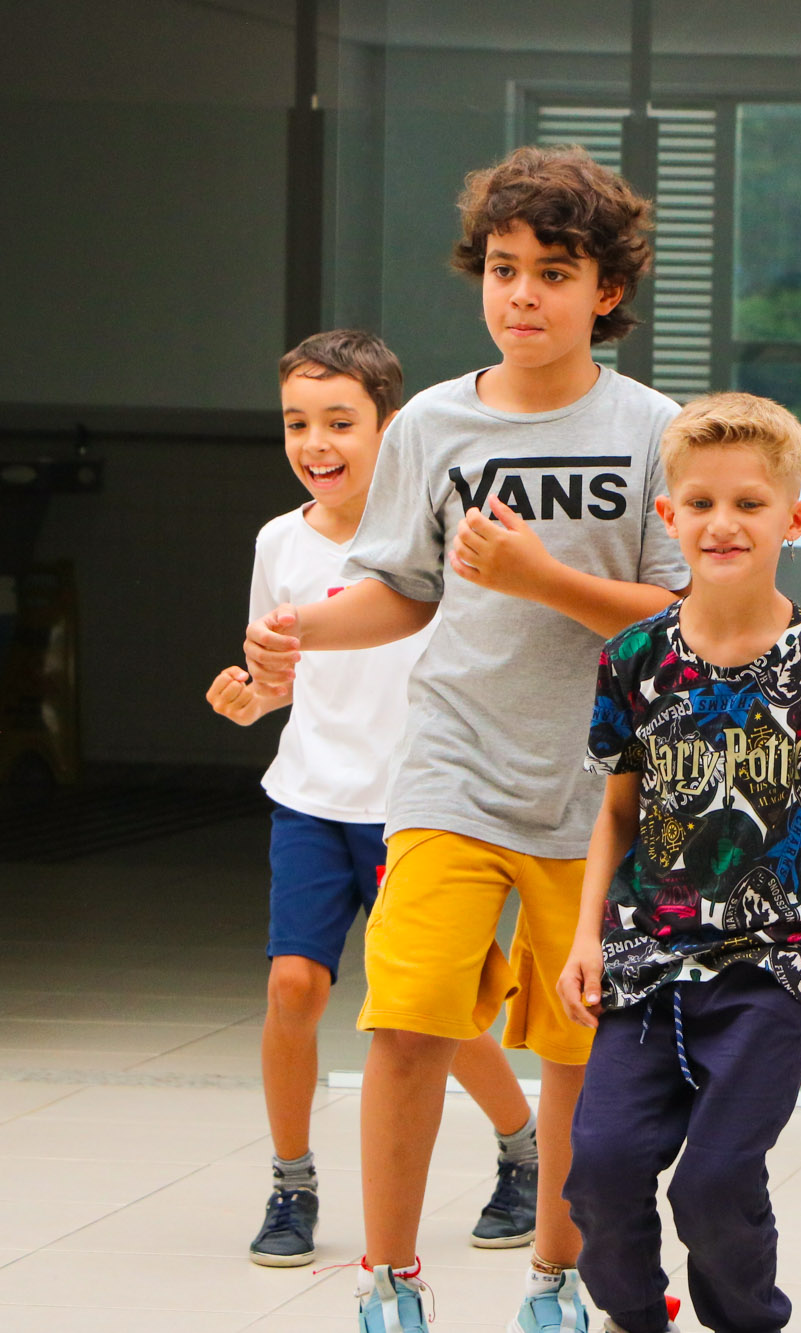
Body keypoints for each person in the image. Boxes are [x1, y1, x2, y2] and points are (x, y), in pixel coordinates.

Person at [243, 145, 689, 1333]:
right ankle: (388, 1283)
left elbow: (681, 617)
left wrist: (543, 577)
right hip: (447, 770)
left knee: (576, 1048)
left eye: (553, 271)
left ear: (606, 289)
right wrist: (301, 629)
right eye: (502, 268)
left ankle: (556, 1279)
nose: (521, 294)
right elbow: (404, 589)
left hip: (598, 790)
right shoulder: (433, 423)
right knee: (407, 1021)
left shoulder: (653, 427)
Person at [557, 392, 801, 1333]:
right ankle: (634, 1315)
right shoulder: (632, 659)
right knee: (600, 1169)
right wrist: (586, 936)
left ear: (794, 517)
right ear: (668, 515)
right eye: (700, 503)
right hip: (648, 958)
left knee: (715, 1182)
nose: (722, 523)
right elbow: (616, 815)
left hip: (780, 963)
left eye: (748, 503)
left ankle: (746, 1320)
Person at [207, 330, 541, 1268]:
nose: (316, 443)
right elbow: (279, 675)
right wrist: (251, 697)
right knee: (292, 987)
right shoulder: (278, 541)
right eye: (296, 423)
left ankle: (522, 1146)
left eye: (340, 422)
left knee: (433, 1012)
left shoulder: (437, 536)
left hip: (421, 810)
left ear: (391, 428)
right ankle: (291, 1182)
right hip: (311, 799)